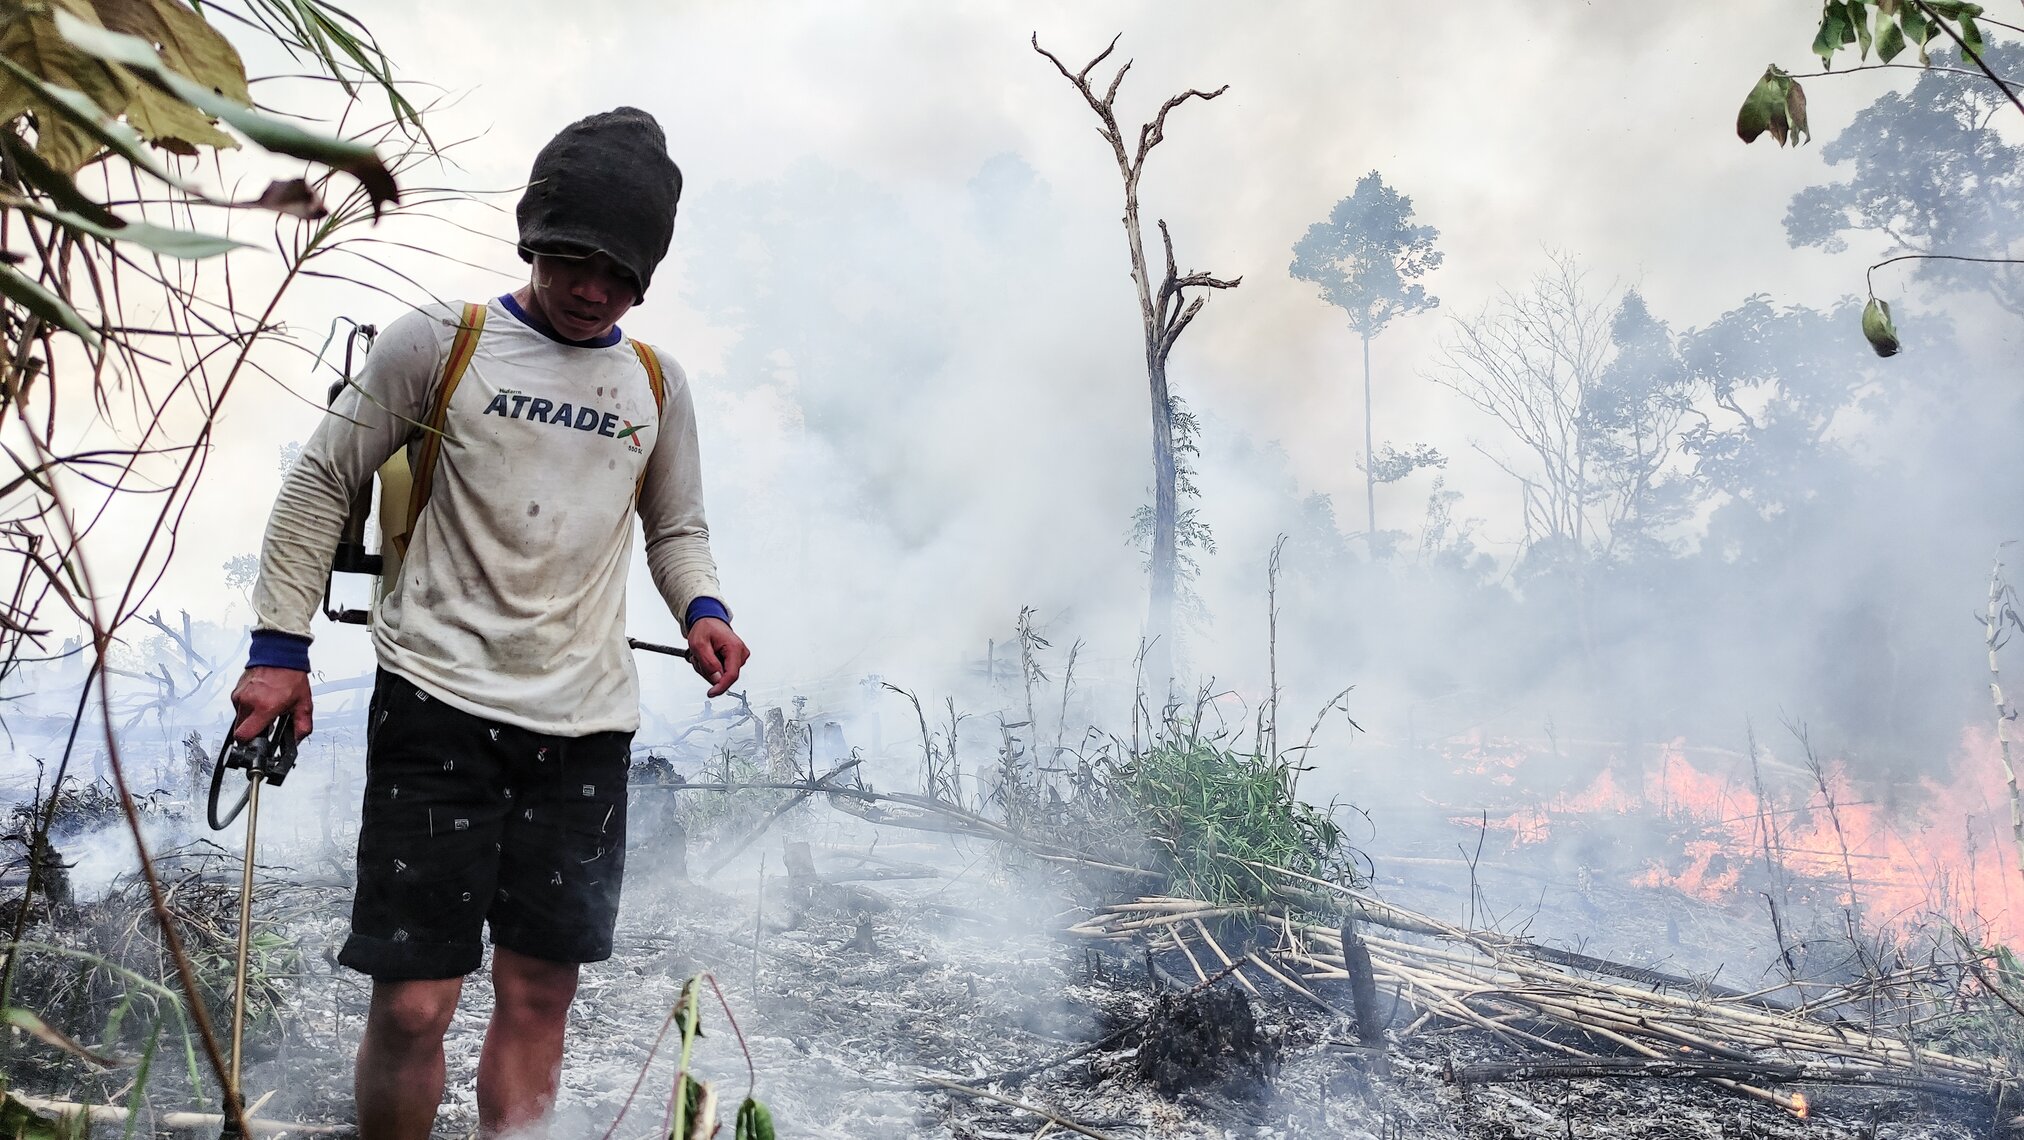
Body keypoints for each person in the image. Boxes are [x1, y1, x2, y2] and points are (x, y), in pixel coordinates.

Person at [229, 106, 749, 1140]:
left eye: (619, 273)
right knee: (417, 999)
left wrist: (702, 608)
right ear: (534, 239)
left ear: (645, 277)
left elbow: (674, 526)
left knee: (539, 993)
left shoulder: (653, 383)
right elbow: (319, 486)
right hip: (437, 707)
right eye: (574, 261)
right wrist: (277, 655)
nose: (592, 288)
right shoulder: (441, 345)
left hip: (585, 727)